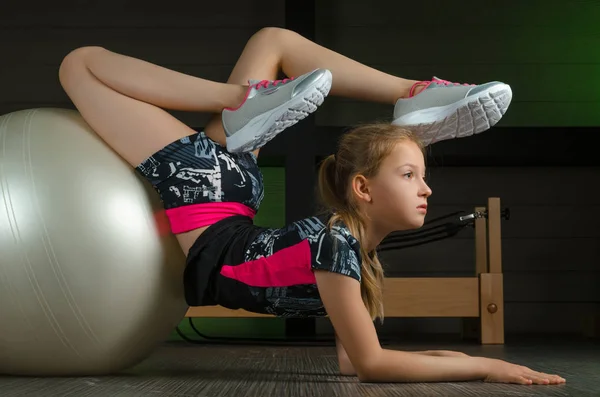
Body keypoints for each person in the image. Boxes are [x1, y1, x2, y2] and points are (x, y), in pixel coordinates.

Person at [57, 27, 564, 385]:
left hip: (223, 198)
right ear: (363, 189)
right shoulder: (338, 244)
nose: (426, 190)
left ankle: (402, 94)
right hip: (208, 192)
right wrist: (484, 366)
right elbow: (371, 365)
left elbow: (355, 360)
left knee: (271, 41)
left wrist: (453, 356)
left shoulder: (349, 253)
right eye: (410, 175)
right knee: (79, 65)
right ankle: (249, 100)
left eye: (422, 177)